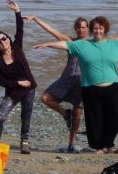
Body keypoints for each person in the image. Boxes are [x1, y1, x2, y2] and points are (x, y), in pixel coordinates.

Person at [34, 17, 118, 154]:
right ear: (91, 30)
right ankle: (99, 147)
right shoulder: (81, 44)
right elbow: (64, 44)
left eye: (100, 28)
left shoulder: (114, 43)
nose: (97, 31)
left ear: (104, 30)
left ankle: (108, 142)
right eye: (95, 28)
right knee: (94, 117)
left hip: (111, 85)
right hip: (88, 86)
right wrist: (47, 44)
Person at [26, 15, 89, 153]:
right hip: (67, 78)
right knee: (45, 98)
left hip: (82, 82)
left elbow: (113, 40)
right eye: (78, 27)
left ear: (88, 28)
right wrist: (36, 19)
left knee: (77, 114)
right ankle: (64, 112)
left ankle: (71, 144)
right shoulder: (70, 41)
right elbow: (52, 31)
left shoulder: (93, 43)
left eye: (83, 27)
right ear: (75, 29)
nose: (80, 30)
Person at [0, 0, 38, 153]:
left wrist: (17, 11)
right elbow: (3, 82)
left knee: (26, 116)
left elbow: (20, 29)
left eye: (4, 38)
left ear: (9, 40)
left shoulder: (17, 48)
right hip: (13, 92)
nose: (2, 42)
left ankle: (24, 142)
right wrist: (19, 83)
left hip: (29, 90)